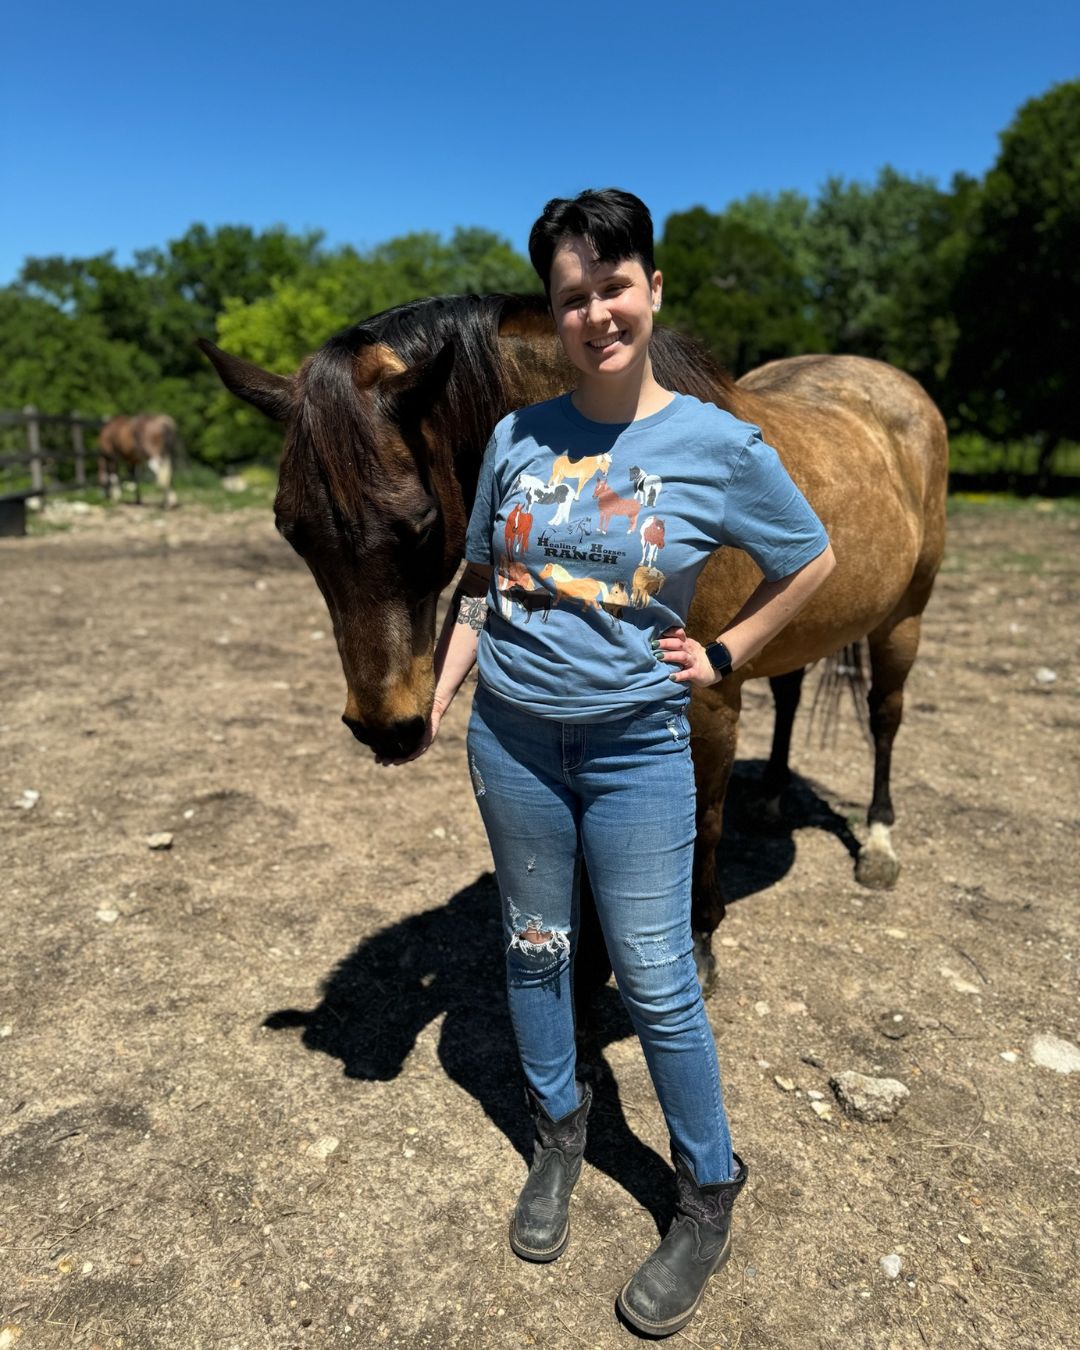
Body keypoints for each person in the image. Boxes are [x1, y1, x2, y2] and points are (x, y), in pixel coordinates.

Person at [398, 188, 834, 1337]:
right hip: (515, 745)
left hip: (640, 750)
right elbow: (485, 584)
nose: (595, 311)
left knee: (654, 976)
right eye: (572, 294)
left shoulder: (716, 445)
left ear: (651, 289)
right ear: (555, 311)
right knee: (537, 952)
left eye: (613, 285)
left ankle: (705, 1190)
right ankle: (558, 1133)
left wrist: (731, 648)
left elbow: (812, 559)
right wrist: (443, 696)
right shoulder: (515, 438)